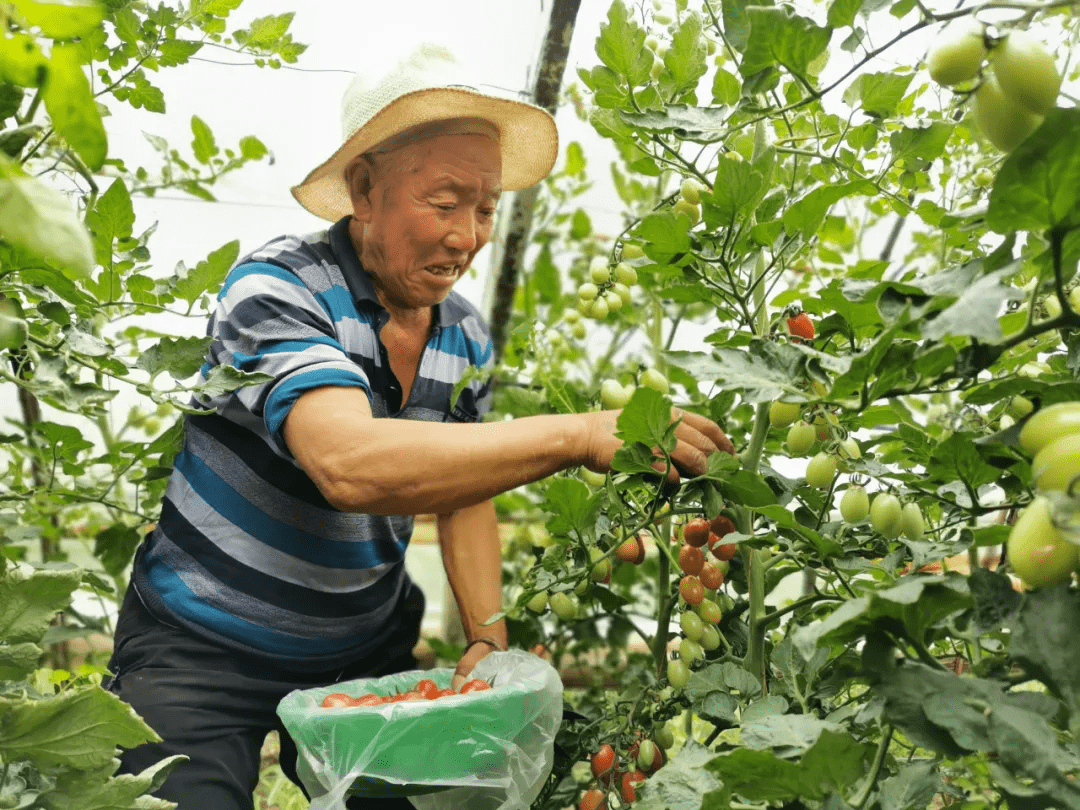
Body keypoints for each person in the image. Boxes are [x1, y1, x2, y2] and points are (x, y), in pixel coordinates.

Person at [105, 44, 733, 810]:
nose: (467, 237)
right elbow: (348, 464)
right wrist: (577, 434)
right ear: (364, 189)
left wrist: (486, 639)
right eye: (444, 203)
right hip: (200, 643)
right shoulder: (279, 288)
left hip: (359, 651)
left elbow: (462, 489)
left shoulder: (463, 335)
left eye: (485, 209)